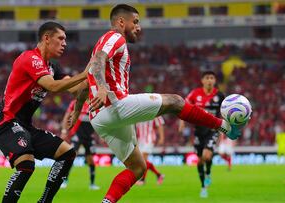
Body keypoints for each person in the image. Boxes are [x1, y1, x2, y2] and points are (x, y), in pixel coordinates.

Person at [69, 4, 241, 203]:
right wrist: (100, 87)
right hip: (113, 106)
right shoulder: (114, 37)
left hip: (99, 118)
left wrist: (75, 113)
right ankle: (224, 126)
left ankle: (107, 201)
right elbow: (99, 61)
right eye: (136, 22)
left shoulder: (101, 45)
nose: (139, 27)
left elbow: (84, 82)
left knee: (138, 168)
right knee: (175, 101)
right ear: (121, 22)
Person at [0, 22, 89, 203]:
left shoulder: (53, 67)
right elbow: (52, 86)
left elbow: (76, 89)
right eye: (60, 38)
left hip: (25, 126)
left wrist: (95, 77)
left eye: (65, 39)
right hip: (6, 122)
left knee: (68, 153)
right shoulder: (30, 58)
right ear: (46, 38)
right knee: (26, 164)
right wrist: (85, 73)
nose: (64, 43)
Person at [178, 71, 225, 198]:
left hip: (212, 130)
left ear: (215, 81)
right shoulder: (195, 94)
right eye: (207, 78)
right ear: (202, 80)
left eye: (212, 78)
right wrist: (182, 123)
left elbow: (226, 111)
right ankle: (203, 186)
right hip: (199, 131)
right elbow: (184, 107)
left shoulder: (220, 96)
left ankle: (208, 173)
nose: (209, 80)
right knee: (199, 161)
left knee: (207, 155)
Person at [60, 99, 100, 190]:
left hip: (89, 136)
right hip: (77, 134)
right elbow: (67, 116)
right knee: (72, 156)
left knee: (91, 160)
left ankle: (92, 184)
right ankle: (64, 181)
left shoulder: (95, 102)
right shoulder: (75, 102)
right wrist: (64, 130)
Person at [135, 116, 165, 186]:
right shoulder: (138, 110)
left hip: (149, 138)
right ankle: (159, 175)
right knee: (141, 160)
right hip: (140, 140)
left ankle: (142, 180)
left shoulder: (154, 110)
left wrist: (161, 137)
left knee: (143, 159)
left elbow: (160, 124)